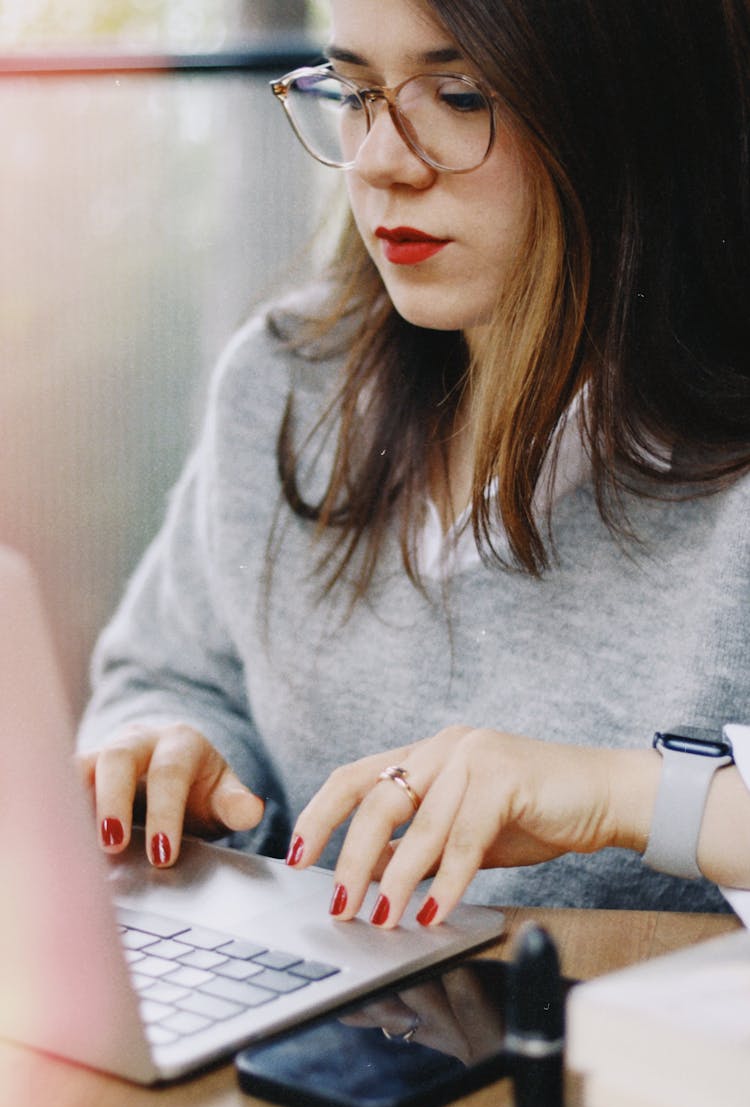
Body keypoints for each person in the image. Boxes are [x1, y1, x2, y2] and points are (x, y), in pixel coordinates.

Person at [78, 0, 750, 930]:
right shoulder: (285, 380)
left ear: (633, 106)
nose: (381, 160)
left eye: (463, 96)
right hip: (313, 1051)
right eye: (355, 92)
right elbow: (169, 675)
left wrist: (621, 795)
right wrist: (168, 754)